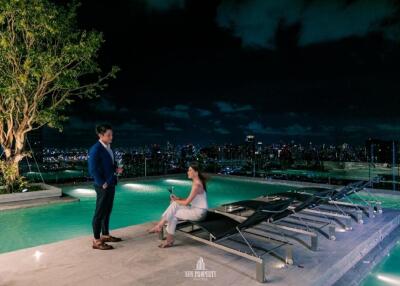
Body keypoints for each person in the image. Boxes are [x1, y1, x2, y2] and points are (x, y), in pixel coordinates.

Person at [148, 162, 208, 248]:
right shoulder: (197, 182)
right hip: (197, 210)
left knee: (173, 214)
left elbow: (187, 203)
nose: (188, 172)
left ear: (196, 172)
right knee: (174, 206)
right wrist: (178, 199)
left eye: (190, 170)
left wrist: (176, 201)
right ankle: (161, 228)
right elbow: (190, 200)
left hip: (198, 213)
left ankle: (166, 235)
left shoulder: (197, 185)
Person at [88, 124, 123, 250]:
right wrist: (102, 182)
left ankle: (106, 235)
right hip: (103, 186)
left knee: (107, 211)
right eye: (108, 135)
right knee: (99, 213)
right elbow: (92, 169)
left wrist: (116, 169)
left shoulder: (108, 147)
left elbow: (108, 165)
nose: (111, 137)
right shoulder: (96, 149)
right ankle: (96, 241)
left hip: (111, 183)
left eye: (111, 134)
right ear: (100, 135)